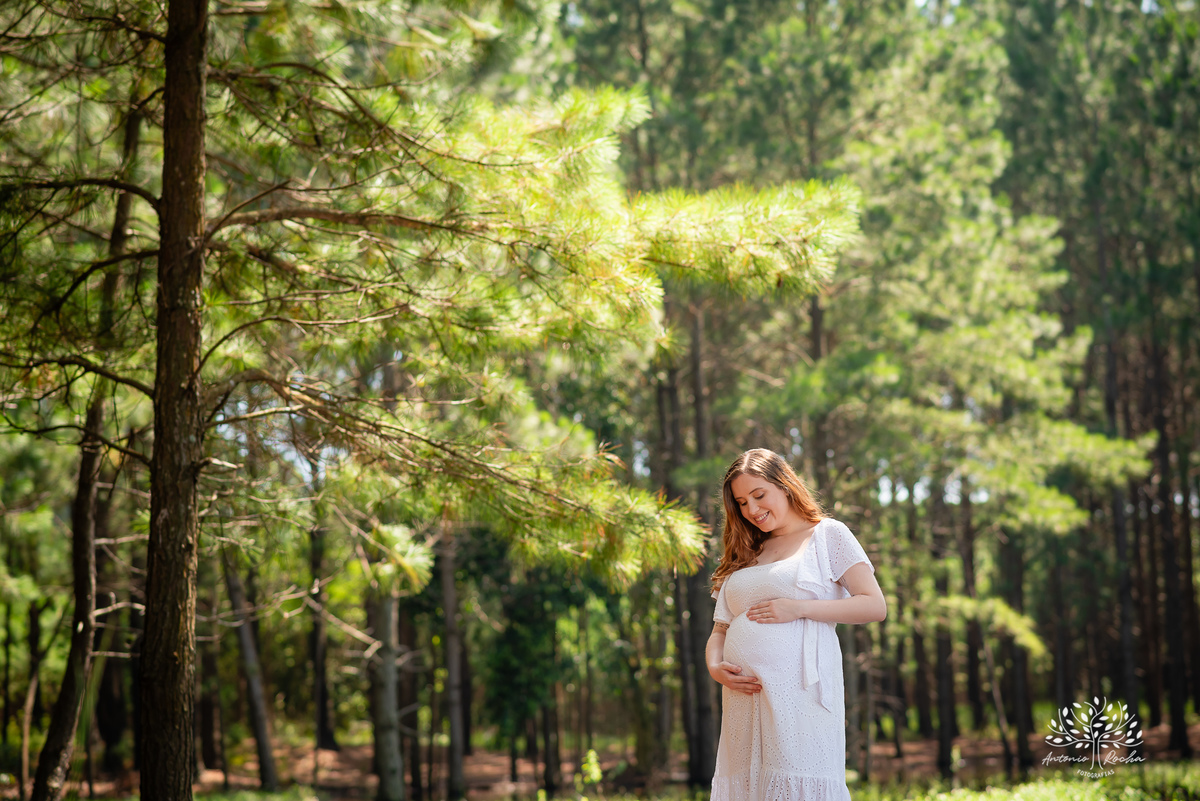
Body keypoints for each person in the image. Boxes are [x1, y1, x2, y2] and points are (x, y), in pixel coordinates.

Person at [706, 448, 886, 801]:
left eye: (759, 495)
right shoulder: (746, 551)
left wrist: (798, 608)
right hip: (742, 696)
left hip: (801, 693)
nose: (752, 510)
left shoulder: (827, 535)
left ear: (785, 485)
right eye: (742, 502)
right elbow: (719, 630)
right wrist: (715, 667)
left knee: (796, 781)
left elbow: (874, 605)